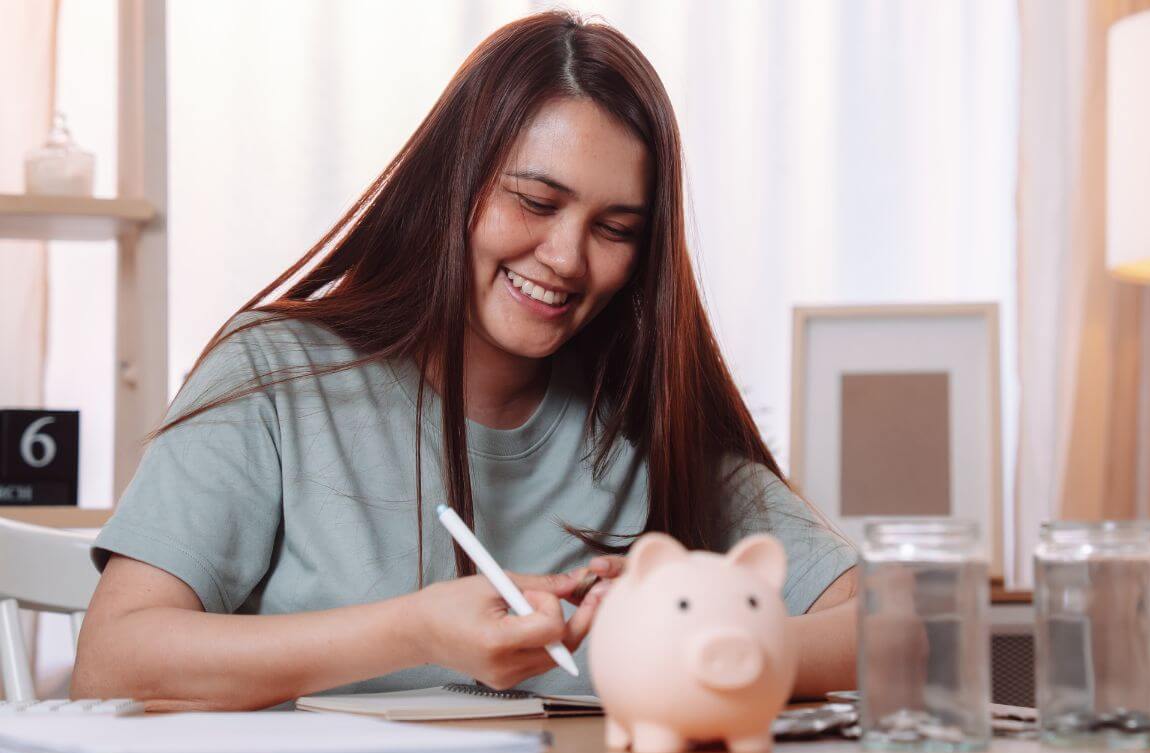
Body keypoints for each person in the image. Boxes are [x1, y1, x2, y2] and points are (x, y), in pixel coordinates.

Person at [72, 10, 858, 711]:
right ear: (456, 183)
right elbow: (114, 660)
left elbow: (898, 634)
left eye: (615, 228)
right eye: (537, 202)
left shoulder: (642, 421)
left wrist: (690, 641)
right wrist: (416, 633)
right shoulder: (277, 377)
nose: (566, 258)